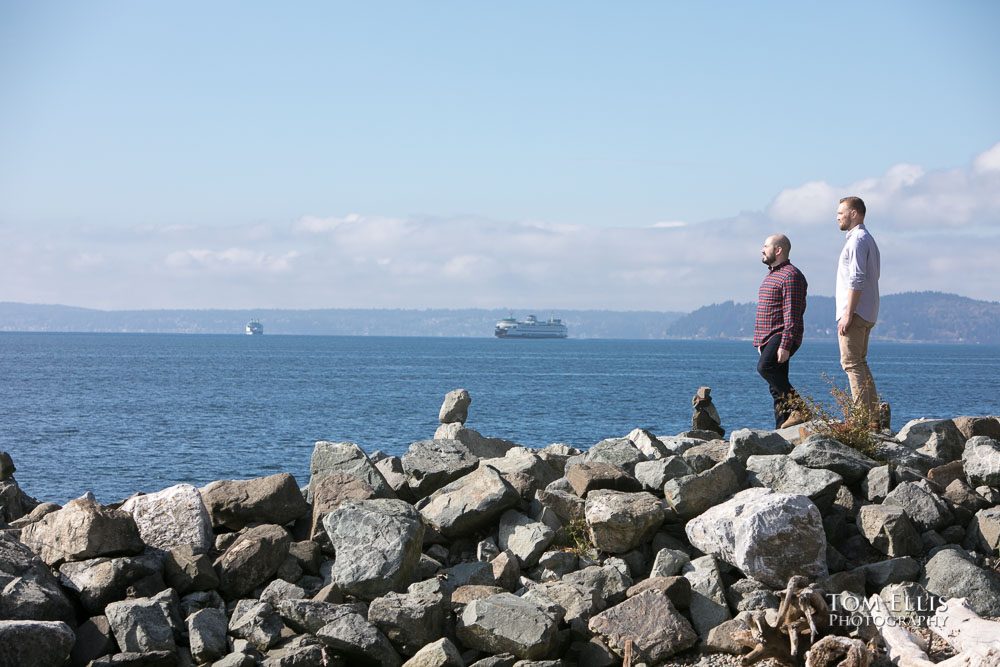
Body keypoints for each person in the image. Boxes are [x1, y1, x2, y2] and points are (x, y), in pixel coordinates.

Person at [753, 234, 808, 429]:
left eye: (766, 245)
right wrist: (761, 343)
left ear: (778, 250)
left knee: (764, 368)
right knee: (776, 387)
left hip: (782, 335)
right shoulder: (773, 274)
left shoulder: (791, 275)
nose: (762, 249)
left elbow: (792, 313)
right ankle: (782, 428)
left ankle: (801, 409)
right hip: (768, 338)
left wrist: (785, 344)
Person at [835, 196, 881, 422]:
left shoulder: (857, 240)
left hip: (856, 312)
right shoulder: (868, 239)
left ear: (854, 213)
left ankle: (861, 419)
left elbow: (857, 279)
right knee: (860, 363)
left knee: (851, 363)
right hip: (868, 311)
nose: (837, 216)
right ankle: (872, 418)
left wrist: (847, 313)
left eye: (841, 212)